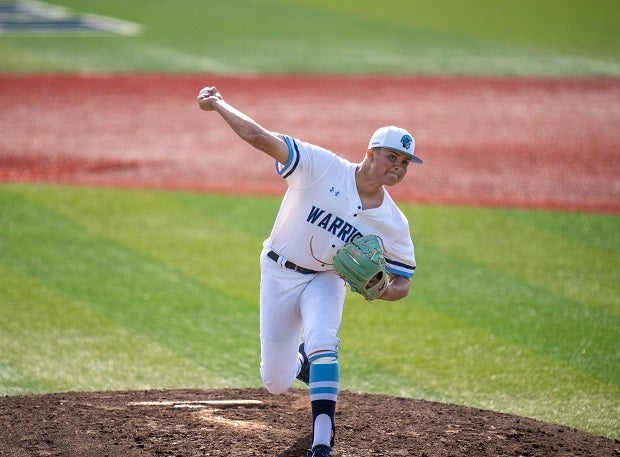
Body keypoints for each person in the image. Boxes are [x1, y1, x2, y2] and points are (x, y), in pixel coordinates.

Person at [197, 85, 421, 457]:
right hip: (279, 272)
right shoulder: (321, 167)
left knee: (323, 341)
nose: (397, 167)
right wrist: (219, 104)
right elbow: (258, 137)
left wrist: (383, 289)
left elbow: (404, 282)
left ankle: (322, 442)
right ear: (370, 152)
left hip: (326, 278)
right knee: (275, 381)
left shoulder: (393, 223)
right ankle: (300, 363)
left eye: (404, 163)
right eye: (392, 157)